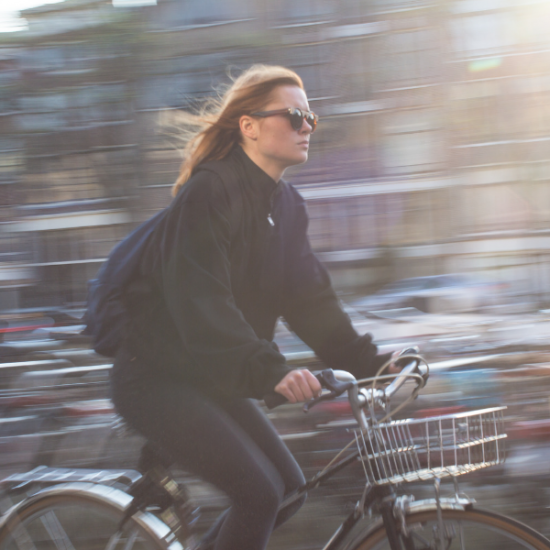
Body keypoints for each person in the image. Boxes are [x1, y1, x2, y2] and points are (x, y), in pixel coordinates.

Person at [110, 64, 400, 550]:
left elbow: (311, 302)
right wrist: (269, 371)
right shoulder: (210, 191)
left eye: (311, 117)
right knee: (260, 493)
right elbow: (201, 301)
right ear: (249, 126)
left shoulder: (286, 206)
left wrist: (372, 364)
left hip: (212, 376)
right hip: (155, 377)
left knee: (290, 489)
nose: (306, 126)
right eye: (293, 116)